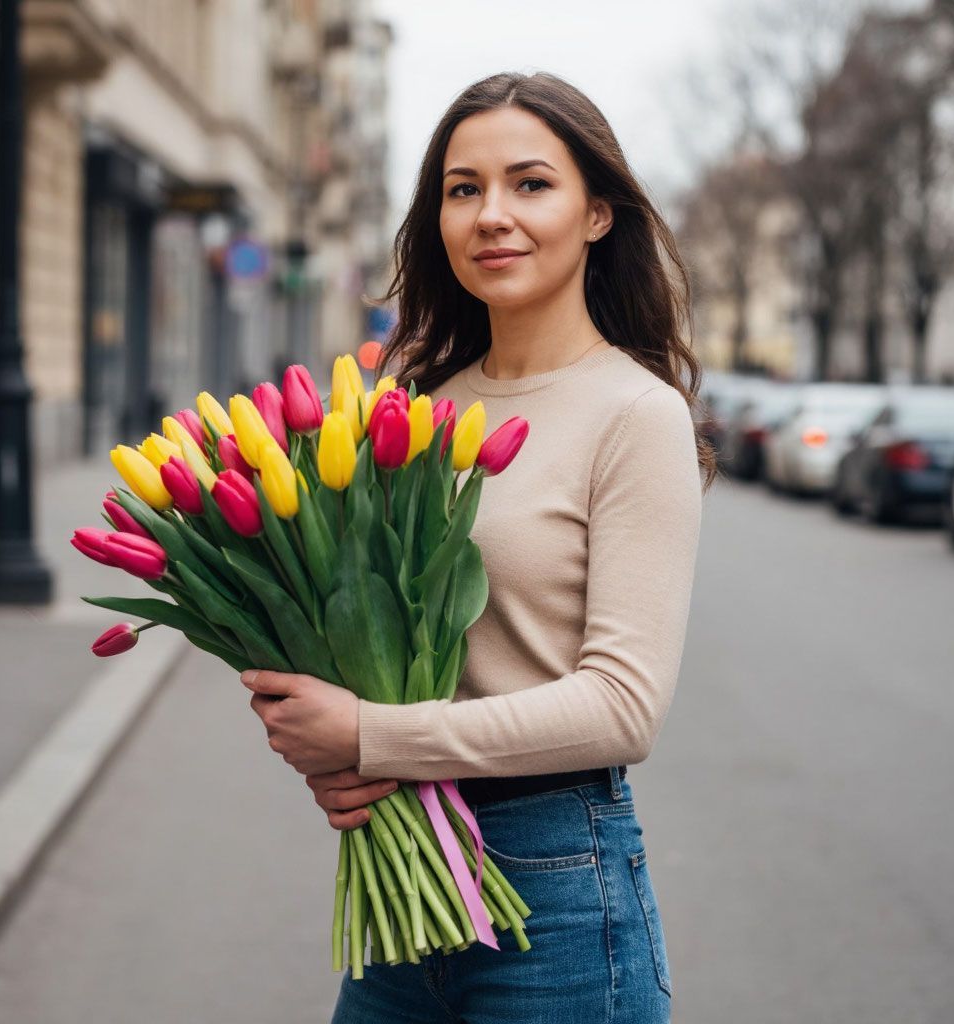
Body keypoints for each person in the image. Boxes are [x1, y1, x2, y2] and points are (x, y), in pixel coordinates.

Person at [242, 70, 716, 1023]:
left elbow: (623, 708)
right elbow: (370, 639)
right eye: (464, 189)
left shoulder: (635, 414)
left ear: (597, 214)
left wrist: (371, 737)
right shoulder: (414, 407)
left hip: (556, 890)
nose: (492, 214)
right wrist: (328, 746)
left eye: (530, 183)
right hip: (404, 882)